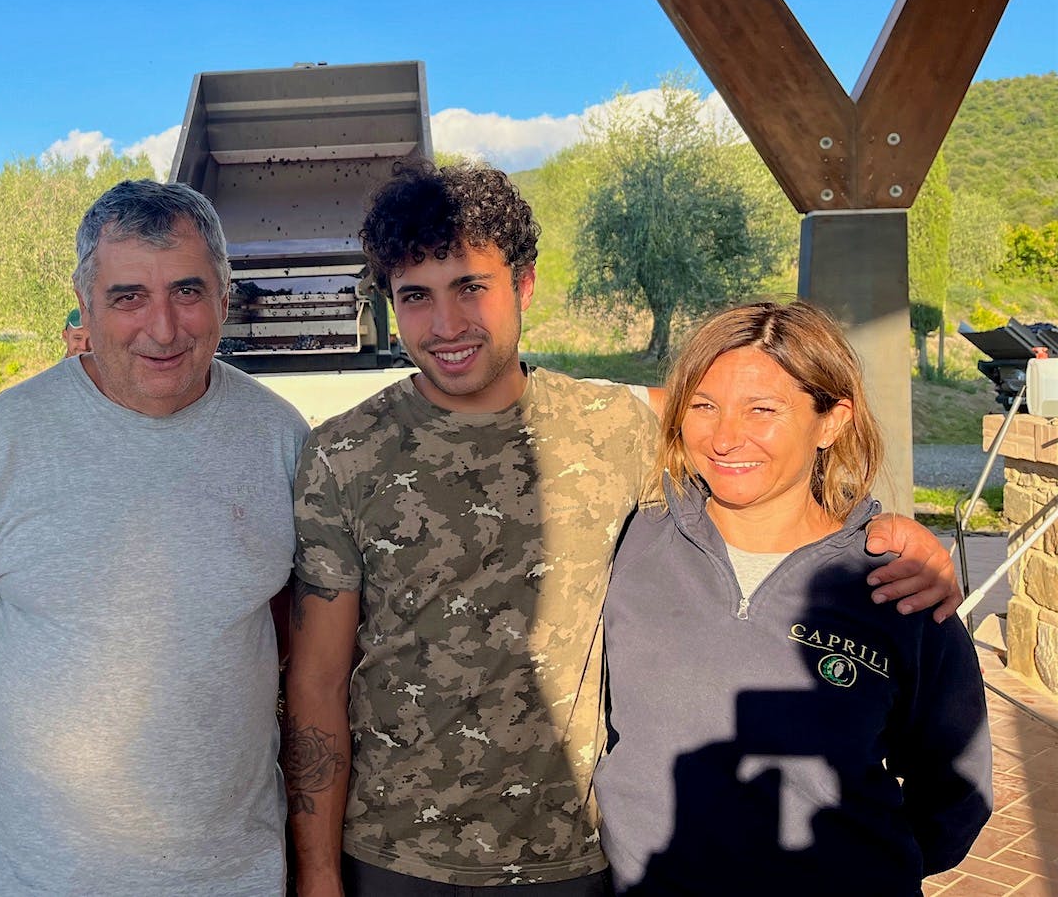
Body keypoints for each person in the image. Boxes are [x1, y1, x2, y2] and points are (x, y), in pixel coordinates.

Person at [284, 161, 961, 896]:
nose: (446, 325)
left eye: (471, 287)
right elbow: (317, 682)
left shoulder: (615, 430)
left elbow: (752, 433)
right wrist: (319, 872)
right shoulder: (346, 453)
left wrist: (880, 532)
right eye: (416, 296)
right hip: (393, 856)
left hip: (572, 858)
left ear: (524, 284)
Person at [0, 180, 310, 895]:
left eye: (188, 291)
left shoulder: (279, 436)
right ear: (85, 303)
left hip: (232, 873)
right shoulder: (6, 440)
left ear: (224, 295)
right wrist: (32, 734)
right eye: (128, 296)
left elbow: (292, 630)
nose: (163, 328)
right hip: (42, 876)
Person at [595, 302, 991, 894]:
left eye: (763, 409)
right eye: (704, 406)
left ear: (832, 421)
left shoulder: (896, 587)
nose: (727, 438)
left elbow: (956, 787)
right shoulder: (630, 545)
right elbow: (527, 399)